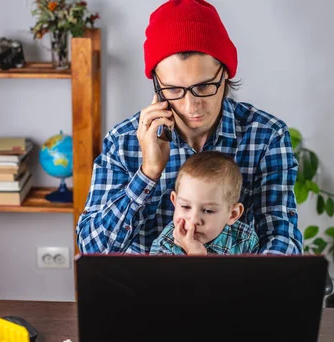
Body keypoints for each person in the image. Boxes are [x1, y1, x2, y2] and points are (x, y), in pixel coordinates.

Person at [76, 0, 302, 254]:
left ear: (225, 73)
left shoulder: (266, 136)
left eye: (204, 87)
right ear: (157, 85)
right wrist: (147, 173)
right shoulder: (123, 141)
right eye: (173, 90)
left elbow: (282, 239)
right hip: (143, 290)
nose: (191, 106)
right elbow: (91, 249)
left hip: (234, 289)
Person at [150, 151, 259, 255]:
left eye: (208, 210)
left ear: (232, 214)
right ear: (174, 201)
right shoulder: (165, 245)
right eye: (185, 206)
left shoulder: (246, 239)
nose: (194, 220)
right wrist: (196, 256)